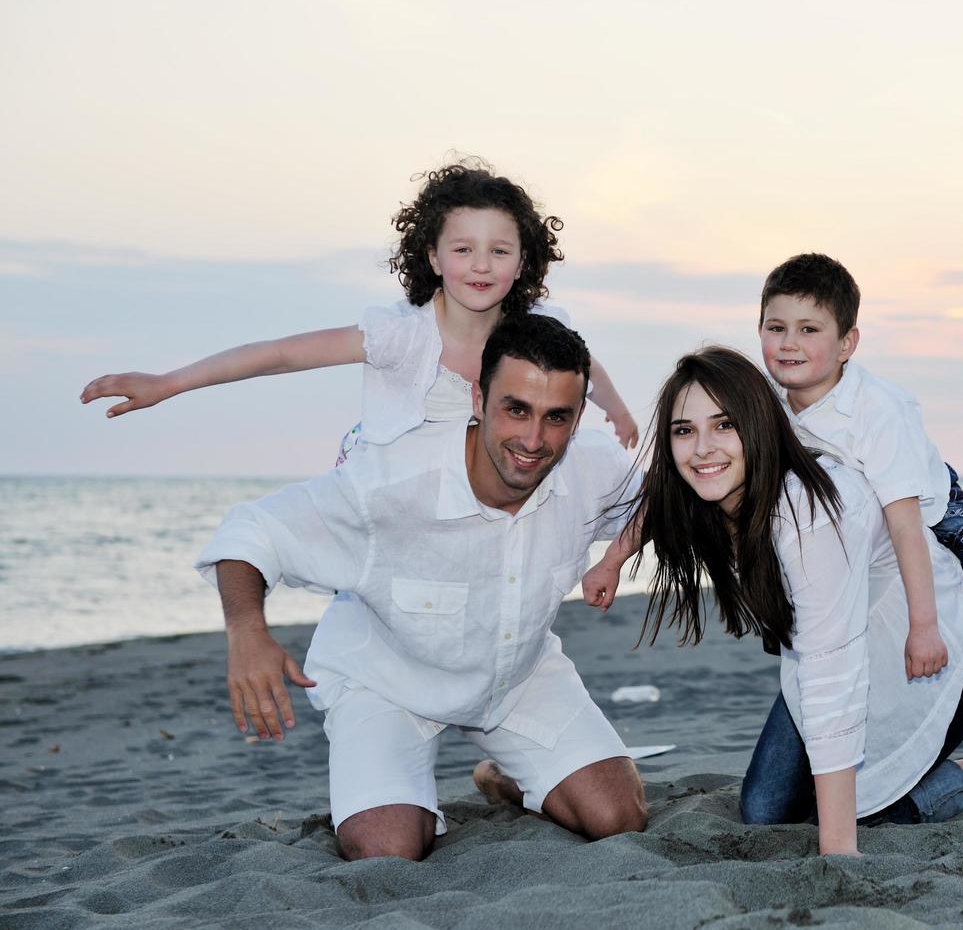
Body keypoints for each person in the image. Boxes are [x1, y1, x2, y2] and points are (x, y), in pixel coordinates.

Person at [592, 347, 963, 857]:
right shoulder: (712, 496)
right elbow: (659, 500)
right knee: (765, 812)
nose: (702, 448)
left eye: (724, 425)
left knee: (872, 813)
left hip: (945, 654)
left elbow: (831, 674)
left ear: (759, 425)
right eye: (683, 430)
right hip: (846, 648)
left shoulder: (810, 513)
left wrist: (838, 853)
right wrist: (612, 560)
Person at [195, 315, 647, 861]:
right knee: (388, 850)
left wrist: (616, 557)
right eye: (516, 409)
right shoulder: (390, 481)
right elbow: (253, 531)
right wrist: (248, 633)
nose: (533, 439)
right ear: (479, 398)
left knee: (618, 819)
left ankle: (507, 777)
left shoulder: (592, 467)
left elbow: (665, 501)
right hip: (384, 682)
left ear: (578, 420)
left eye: (556, 417)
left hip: (514, 678)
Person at [80, 157, 641, 451]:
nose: (481, 265)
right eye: (463, 249)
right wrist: (166, 383)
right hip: (393, 483)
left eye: (499, 251)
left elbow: (583, 367)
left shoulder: (538, 329)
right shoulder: (402, 335)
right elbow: (278, 355)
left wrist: (613, 410)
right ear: (433, 256)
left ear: (523, 261)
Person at [756, 252, 963, 747]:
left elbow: (906, 523)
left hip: (933, 505)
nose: (788, 343)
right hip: (861, 529)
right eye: (775, 327)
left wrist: (924, 627)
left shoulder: (879, 409)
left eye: (809, 330)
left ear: (848, 342)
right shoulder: (767, 402)